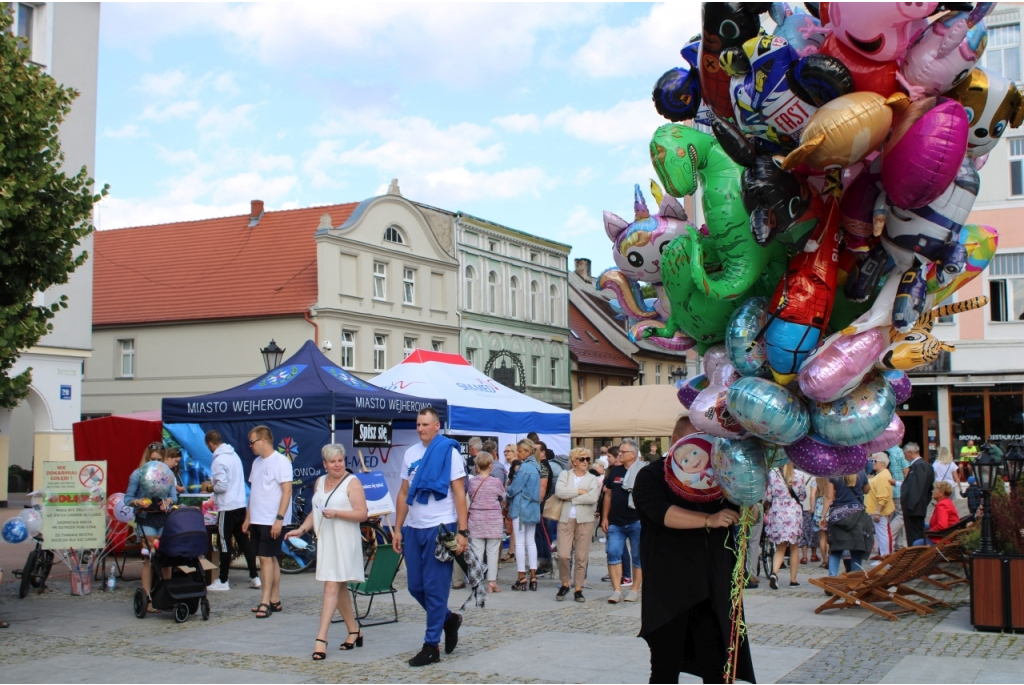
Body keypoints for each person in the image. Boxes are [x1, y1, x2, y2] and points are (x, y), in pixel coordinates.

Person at [631, 436, 751, 684]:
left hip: (710, 589)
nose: (697, 456)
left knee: (717, 667)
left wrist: (750, 506)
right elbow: (660, 512)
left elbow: (738, 508)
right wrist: (708, 520)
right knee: (665, 668)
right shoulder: (651, 475)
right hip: (668, 591)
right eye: (690, 450)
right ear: (676, 441)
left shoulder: (719, 473)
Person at [392, 408, 468, 667]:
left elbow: (459, 493)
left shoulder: (449, 452)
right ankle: (448, 619)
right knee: (415, 586)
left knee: (435, 590)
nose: (421, 428)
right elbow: (403, 493)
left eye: (425, 424)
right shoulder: (410, 453)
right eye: (418, 424)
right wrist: (397, 527)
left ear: (437, 426)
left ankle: (430, 645)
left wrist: (462, 531)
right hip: (413, 527)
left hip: (440, 527)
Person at [285, 445, 367, 660]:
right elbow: (316, 510)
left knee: (331, 585)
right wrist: (301, 529)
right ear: (325, 464)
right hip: (327, 540)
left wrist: (337, 513)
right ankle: (354, 631)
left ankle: (321, 639)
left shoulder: (353, 482)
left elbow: (362, 514)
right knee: (337, 587)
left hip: (344, 540)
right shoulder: (320, 482)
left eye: (340, 460)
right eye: (333, 462)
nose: (338, 465)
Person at [242, 425, 293, 619]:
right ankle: (274, 599)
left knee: (265, 558)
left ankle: (265, 601)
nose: (251, 446)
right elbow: (254, 492)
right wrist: (248, 517)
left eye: (253, 442)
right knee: (269, 558)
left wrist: (279, 519)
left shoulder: (280, 461)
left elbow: (287, 491)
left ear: (263, 440)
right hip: (258, 517)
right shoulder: (256, 463)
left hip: (272, 518)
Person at [126, 442, 177, 612]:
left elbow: (174, 497)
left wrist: (168, 501)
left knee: (166, 559)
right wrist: (138, 502)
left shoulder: (167, 474)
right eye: (152, 459)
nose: (156, 462)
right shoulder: (138, 474)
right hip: (146, 518)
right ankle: (147, 598)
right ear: (147, 458)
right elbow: (127, 499)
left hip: (163, 518)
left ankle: (166, 596)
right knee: (149, 559)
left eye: (159, 460)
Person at [206, 430, 259, 592]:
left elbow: (222, 486)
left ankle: (223, 580)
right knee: (244, 542)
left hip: (226, 507)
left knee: (224, 543)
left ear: (209, 444)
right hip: (239, 504)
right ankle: (254, 577)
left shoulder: (218, 461)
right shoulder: (234, 456)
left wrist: (209, 487)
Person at [553, 448, 601, 603]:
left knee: (581, 556)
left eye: (587, 459)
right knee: (563, 555)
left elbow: (593, 497)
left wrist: (572, 497)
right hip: (565, 519)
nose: (586, 462)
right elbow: (559, 492)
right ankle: (565, 583)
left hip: (585, 519)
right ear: (574, 461)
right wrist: (579, 491)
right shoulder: (564, 475)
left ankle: (578, 588)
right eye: (582, 459)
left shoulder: (592, 478)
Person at [603, 438, 643, 603]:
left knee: (638, 556)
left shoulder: (643, 471)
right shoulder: (614, 471)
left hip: (636, 520)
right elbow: (608, 495)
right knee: (612, 552)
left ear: (632, 454)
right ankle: (617, 590)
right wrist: (605, 517)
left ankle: (634, 590)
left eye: (623, 452)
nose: (619, 454)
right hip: (616, 522)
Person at [467, 451, 506, 594]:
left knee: (477, 551)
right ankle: (492, 582)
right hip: (493, 518)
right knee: (493, 551)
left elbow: (470, 496)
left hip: (476, 517)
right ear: (490, 466)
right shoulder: (496, 482)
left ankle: (476, 582)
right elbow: (503, 497)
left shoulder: (471, 482)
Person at [506, 439, 542, 591]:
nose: (518, 454)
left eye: (520, 451)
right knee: (531, 542)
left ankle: (522, 576)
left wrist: (507, 491)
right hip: (532, 507)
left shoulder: (524, 467)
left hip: (521, 507)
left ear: (528, 451)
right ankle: (533, 575)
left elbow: (514, 489)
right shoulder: (536, 466)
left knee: (520, 543)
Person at [820, 472, 872, 576]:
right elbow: (867, 490)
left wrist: (823, 516)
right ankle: (855, 579)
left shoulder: (834, 475)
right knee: (856, 548)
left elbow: (829, 497)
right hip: (857, 515)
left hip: (838, 516)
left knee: (835, 549)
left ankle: (832, 576)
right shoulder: (861, 474)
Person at [765, 463, 809, 588]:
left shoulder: (773, 474)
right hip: (793, 512)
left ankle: (774, 573)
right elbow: (802, 495)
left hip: (778, 511)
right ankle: (793, 580)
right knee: (794, 547)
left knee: (780, 547)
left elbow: (768, 495)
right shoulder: (799, 475)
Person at [900, 442, 934, 548]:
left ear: (910, 453)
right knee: (915, 534)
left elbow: (918, 488)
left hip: (914, 509)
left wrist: (910, 506)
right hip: (916, 507)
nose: (905, 456)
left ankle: (916, 559)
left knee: (914, 535)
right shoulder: (922, 465)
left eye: (905, 453)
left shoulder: (919, 465)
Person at [865, 453, 895, 559]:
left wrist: (878, 512)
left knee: (882, 535)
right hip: (875, 509)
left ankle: (884, 558)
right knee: (881, 535)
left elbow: (883, 497)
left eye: (875, 461)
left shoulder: (882, 476)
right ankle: (883, 556)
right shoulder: (881, 474)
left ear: (882, 463)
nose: (872, 463)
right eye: (872, 461)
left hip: (878, 511)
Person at [886, 443, 909, 550]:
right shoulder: (899, 452)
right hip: (899, 488)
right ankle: (888, 536)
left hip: (888, 489)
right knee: (901, 515)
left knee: (895, 516)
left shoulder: (885, 451)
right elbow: (906, 471)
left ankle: (898, 545)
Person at [799, 476, 817, 565]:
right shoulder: (815, 476)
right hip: (814, 508)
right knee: (814, 532)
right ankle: (813, 554)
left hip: (801, 506)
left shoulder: (798, 476)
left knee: (804, 532)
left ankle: (804, 556)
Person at [812, 477, 829, 567]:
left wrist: (812, 507)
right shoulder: (831, 480)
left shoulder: (816, 481)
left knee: (822, 537)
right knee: (829, 537)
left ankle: (824, 560)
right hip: (829, 509)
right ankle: (831, 558)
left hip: (819, 509)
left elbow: (812, 495)